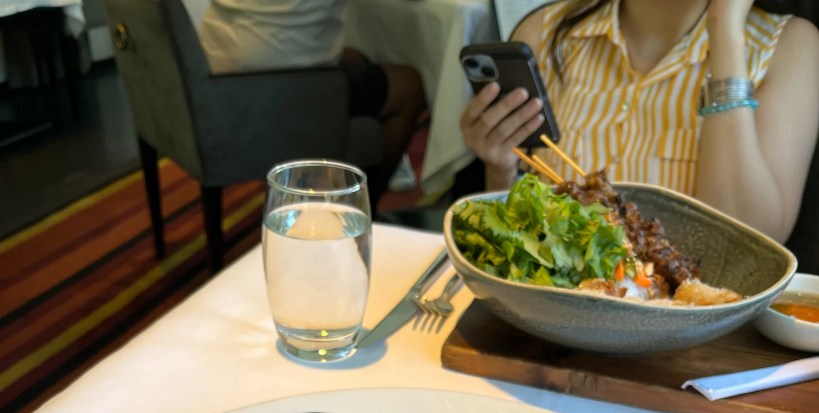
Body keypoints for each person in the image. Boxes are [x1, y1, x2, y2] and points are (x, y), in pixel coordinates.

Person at [460, 1, 819, 243]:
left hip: (697, 337)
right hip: (550, 316)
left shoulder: (790, 47)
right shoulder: (545, 32)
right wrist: (500, 168)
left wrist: (724, 29)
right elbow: (509, 236)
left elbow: (747, 242)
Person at [199, 0, 426, 202]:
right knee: (409, 86)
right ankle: (360, 206)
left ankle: (351, 168)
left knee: (355, 56)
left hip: (214, 70)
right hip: (276, 87)